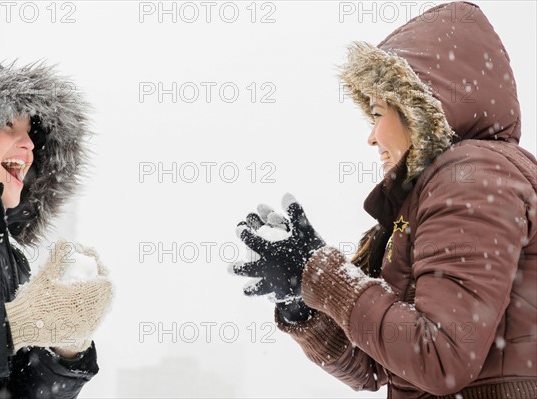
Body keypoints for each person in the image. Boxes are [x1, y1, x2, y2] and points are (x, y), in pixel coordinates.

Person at [230, 2, 537, 398]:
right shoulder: (441, 186)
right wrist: (302, 301)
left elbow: (441, 358)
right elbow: (378, 367)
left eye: (377, 113)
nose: (371, 137)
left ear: (419, 110)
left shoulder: (471, 175)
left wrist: (320, 272)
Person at [0, 51, 113, 398]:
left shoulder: (9, 256)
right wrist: (15, 324)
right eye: (8, 124)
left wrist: (66, 348)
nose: (30, 144)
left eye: (30, 130)